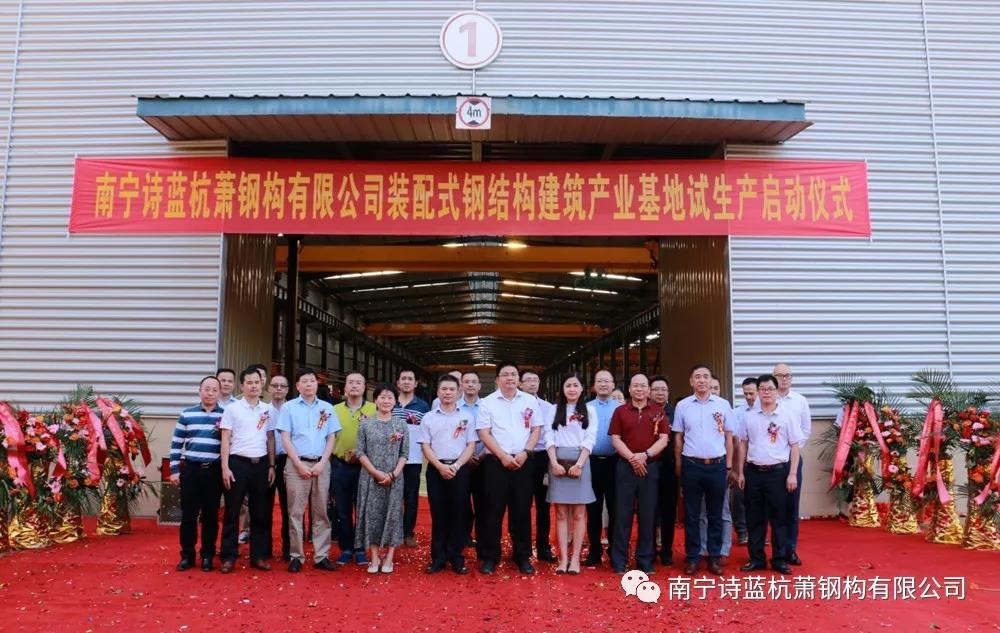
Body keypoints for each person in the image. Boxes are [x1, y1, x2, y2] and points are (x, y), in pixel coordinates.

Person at [475, 362, 544, 575]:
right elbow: (484, 432)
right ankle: (490, 556)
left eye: (513, 374)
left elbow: (536, 429)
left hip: (523, 461)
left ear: (518, 379)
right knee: (492, 511)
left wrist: (525, 452)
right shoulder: (487, 402)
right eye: (505, 374)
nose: (510, 378)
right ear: (497, 379)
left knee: (522, 510)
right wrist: (502, 456)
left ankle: (522, 556)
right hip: (496, 463)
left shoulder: (530, 401)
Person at [734, 373, 802, 575]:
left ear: (776, 391)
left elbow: (795, 446)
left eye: (770, 389)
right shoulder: (749, 416)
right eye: (762, 389)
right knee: (754, 518)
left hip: (778, 473)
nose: (766, 393)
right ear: (758, 392)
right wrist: (740, 472)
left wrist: (792, 474)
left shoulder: (786, 416)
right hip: (754, 472)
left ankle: (779, 559)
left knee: (779, 518)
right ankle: (757, 559)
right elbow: (743, 444)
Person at [672, 364, 737, 576]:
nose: (701, 380)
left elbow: (729, 437)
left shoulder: (723, 405)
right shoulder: (683, 406)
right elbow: (678, 438)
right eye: (697, 377)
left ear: (711, 381)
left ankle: (714, 557)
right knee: (691, 515)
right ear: (691, 381)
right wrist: (679, 466)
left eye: (705, 377)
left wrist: (729, 465)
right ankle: (693, 557)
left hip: (717, 465)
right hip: (691, 465)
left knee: (715, 514)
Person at [277, 368, 341, 573]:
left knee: (321, 511)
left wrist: (323, 462)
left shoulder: (327, 407)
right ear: (297, 385)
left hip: (321, 464)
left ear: (317, 384)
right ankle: (296, 556)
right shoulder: (288, 407)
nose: (308, 384)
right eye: (304, 381)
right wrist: (298, 464)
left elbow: (331, 437)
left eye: (312, 381)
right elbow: (285, 438)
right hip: (296, 464)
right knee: (295, 512)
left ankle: (321, 556)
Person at [609, 373, 670, 574]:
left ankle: (645, 560)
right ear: (629, 389)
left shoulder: (658, 411)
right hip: (625, 467)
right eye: (635, 385)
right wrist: (633, 458)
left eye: (643, 386)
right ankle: (619, 560)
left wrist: (645, 455)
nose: (639, 389)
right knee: (622, 515)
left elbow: (663, 439)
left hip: (650, 467)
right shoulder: (620, 411)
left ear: (648, 390)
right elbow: (616, 439)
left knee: (648, 514)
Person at [218, 367, 276, 573]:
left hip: (261, 464)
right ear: (241, 386)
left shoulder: (268, 410)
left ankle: (258, 556)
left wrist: (271, 465)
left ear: (262, 385)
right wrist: (225, 467)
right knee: (232, 511)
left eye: (257, 382)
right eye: (249, 383)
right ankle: (228, 557)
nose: (253, 386)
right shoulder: (232, 409)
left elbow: (270, 438)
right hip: (237, 463)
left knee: (260, 512)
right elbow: (225, 439)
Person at [419, 375, 477, 575]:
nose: (447, 393)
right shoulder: (428, 417)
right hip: (436, 469)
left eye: (452, 389)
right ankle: (438, 558)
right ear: (438, 392)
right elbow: (425, 446)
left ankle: (456, 557)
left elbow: (471, 445)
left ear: (458, 392)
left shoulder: (467, 417)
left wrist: (457, 466)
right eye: (444, 389)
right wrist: (439, 466)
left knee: (458, 514)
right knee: (438, 514)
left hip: (460, 470)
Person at [169, 375, 225, 572]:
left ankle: (208, 555)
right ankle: (187, 555)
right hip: (191, 470)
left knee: (211, 516)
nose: (210, 393)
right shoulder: (187, 414)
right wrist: (174, 470)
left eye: (214, 390)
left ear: (220, 393)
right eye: (206, 389)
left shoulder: (226, 415)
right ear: (199, 391)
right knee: (188, 516)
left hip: (214, 471)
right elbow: (176, 444)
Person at [545, 373, 598, 575]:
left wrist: (580, 464)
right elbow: (548, 437)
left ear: (582, 388)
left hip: (580, 462)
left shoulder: (589, 410)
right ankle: (563, 559)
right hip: (557, 462)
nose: (572, 389)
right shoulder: (553, 410)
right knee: (560, 514)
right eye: (568, 385)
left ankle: (575, 559)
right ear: (562, 389)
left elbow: (590, 437)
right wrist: (554, 463)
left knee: (579, 513)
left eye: (576, 385)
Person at [355, 384, 408, 574]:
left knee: (393, 515)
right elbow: (360, 452)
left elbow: (404, 453)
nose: (386, 401)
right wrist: (375, 472)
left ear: (395, 401)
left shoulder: (401, 425)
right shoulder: (366, 424)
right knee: (372, 515)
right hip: (370, 478)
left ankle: (390, 557)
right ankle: (375, 557)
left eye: (390, 398)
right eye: (382, 397)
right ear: (375, 400)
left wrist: (394, 474)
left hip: (395, 478)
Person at [330, 372, 376, 566]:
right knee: (342, 509)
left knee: (363, 509)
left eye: (358, 382)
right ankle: (346, 548)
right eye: (351, 382)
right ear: (345, 387)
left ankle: (360, 549)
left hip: (365, 467)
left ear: (364, 387)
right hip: (340, 465)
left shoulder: (374, 409)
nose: (354, 386)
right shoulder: (333, 410)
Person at [771, 363, 811, 565]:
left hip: (792, 460)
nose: (784, 379)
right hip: (771, 461)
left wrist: (791, 447)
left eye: (787, 375)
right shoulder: (767, 399)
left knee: (792, 507)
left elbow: (806, 430)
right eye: (779, 375)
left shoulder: (800, 401)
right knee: (775, 508)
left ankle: (790, 550)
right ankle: (776, 551)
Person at [520, 370, 557, 563]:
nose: (532, 383)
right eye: (528, 380)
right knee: (521, 505)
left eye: (535, 380)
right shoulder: (516, 405)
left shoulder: (548, 407)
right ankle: (522, 548)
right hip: (522, 457)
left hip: (543, 457)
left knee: (543, 506)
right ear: (520, 383)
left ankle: (544, 547)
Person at [584, 369, 619, 566]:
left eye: (607, 381)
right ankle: (594, 551)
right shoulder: (586, 408)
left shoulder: (621, 408)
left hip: (615, 463)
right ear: (594, 386)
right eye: (600, 381)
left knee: (615, 509)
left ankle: (615, 551)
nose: (604, 384)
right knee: (593, 510)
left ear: (613, 385)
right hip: (591, 462)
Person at [394, 369, 430, 548]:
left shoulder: (423, 407)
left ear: (416, 383)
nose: (406, 382)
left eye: (410, 379)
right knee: (392, 498)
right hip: (391, 459)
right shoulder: (389, 402)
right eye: (403, 379)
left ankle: (408, 533)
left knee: (411, 498)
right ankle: (392, 532)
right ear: (398, 383)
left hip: (413, 460)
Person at [650, 375, 679, 566]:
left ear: (668, 392)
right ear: (650, 392)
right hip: (649, 466)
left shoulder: (676, 412)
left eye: (663, 389)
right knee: (649, 511)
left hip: (670, 468)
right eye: (656, 389)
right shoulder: (645, 411)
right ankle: (650, 549)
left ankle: (667, 550)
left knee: (669, 511)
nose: (660, 393)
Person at [730, 377, 759, 546]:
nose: (749, 397)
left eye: (751, 393)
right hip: (742, 462)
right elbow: (735, 441)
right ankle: (742, 531)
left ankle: (758, 532)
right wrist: (734, 467)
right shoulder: (737, 413)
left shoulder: (767, 411)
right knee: (739, 498)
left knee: (758, 500)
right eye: (745, 393)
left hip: (760, 462)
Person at [266, 374, 291, 561]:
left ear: (288, 389)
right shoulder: (262, 410)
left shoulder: (293, 409)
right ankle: (264, 548)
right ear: (269, 388)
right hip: (266, 462)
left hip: (288, 460)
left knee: (288, 507)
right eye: (275, 385)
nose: (279, 389)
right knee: (263, 507)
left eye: (283, 386)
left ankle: (289, 549)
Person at [458, 371, 484, 546]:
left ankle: (482, 538)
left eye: (474, 381)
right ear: (461, 385)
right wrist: (465, 457)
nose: (470, 385)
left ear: (479, 386)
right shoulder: (455, 407)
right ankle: (463, 536)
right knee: (462, 502)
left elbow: (493, 434)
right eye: (467, 381)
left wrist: (481, 455)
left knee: (483, 502)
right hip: (461, 461)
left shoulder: (487, 406)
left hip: (484, 460)